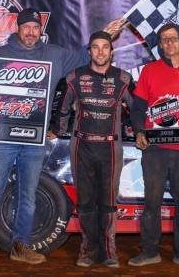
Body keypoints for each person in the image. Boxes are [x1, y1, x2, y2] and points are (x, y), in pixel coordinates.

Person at [0, 8, 124, 267]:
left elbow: (81, 57)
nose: (30, 32)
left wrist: (106, 32)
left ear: (41, 30)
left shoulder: (54, 54)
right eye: (25, 27)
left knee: (28, 195)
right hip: (1, 139)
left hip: (34, 139)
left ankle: (21, 246)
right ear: (17, 28)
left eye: (35, 27)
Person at [128, 24, 179, 269]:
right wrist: (140, 132)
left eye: (173, 39)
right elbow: (137, 108)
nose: (169, 44)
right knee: (152, 203)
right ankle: (149, 251)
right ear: (160, 45)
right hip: (154, 149)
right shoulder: (149, 71)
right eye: (164, 40)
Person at [51, 31, 135, 268]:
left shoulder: (123, 79)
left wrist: (138, 131)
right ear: (89, 51)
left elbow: (137, 109)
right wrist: (56, 130)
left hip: (110, 146)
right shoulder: (74, 77)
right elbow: (63, 109)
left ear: (111, 51)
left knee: (108, 202)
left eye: (105, 47)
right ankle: (88, 250)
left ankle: (108, 251)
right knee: (85, 202)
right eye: (95, 47)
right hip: (82, 146)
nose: (100, 52)